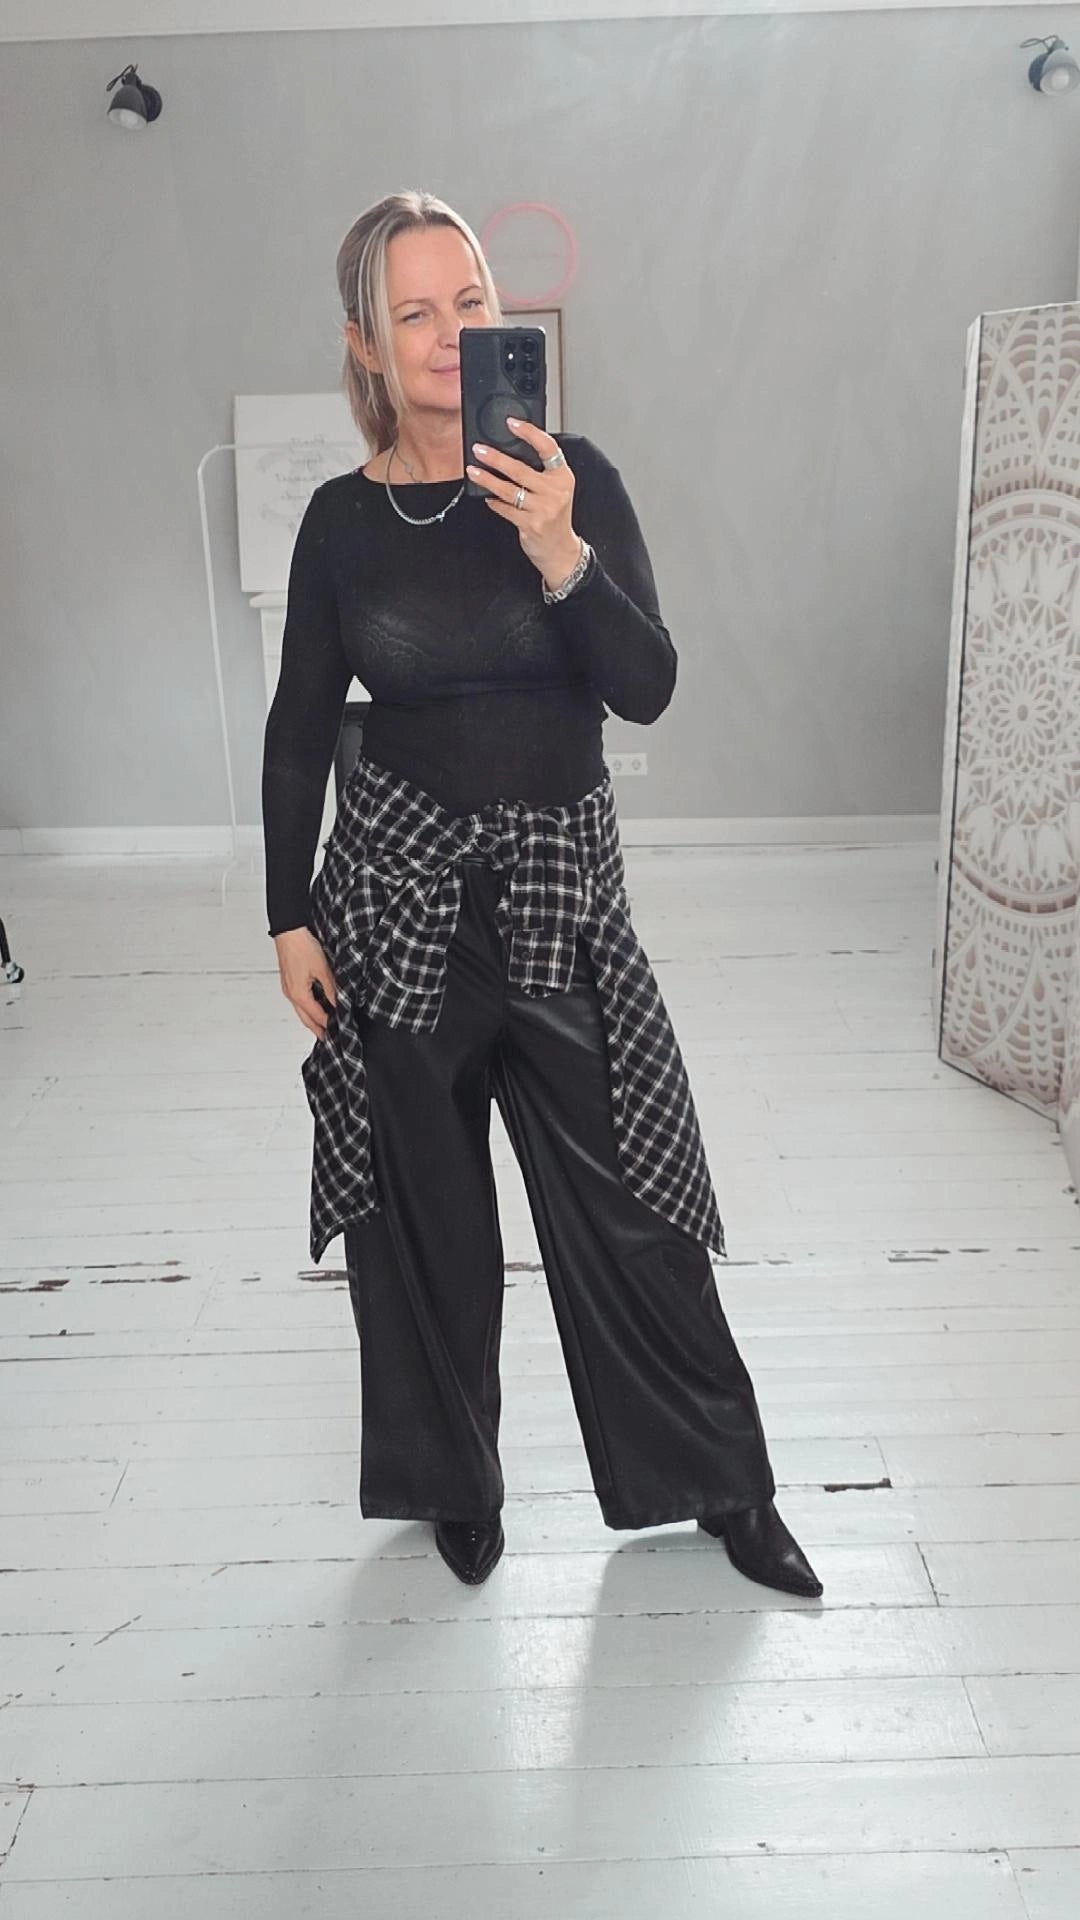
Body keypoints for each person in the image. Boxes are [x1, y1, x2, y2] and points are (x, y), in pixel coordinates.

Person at [261, 189, 822, 1599]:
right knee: (427, 1223)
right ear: (366, 344)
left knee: (636, 1203)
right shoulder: (341, 524)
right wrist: (286, 913)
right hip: (396, 911)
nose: (449, 333)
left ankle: (725, 1488)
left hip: (562, 899)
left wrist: (560, 548)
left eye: (470, 302)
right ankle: (455, 1488)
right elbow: (297, 725)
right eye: (414, 313)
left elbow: (648, 686)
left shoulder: (579, 481)